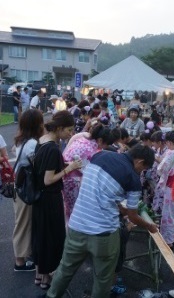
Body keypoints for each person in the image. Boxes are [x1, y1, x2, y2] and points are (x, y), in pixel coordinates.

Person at [46, 144, 158, 298]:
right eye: (143, 168)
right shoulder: (133, 179)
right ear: (140, 161)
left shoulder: (100, 156)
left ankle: (51, 295)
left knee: (65, 268)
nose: (141, 172)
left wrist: (118, 206)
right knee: (103, 278)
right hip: (104, 234)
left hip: (77, 226)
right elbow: (133, 217)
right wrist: (149, 226)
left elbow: (98, 190)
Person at [32, 111, 82, 289]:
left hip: (39, 199)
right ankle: (46, 278)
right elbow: (48, 180)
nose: (70, 133)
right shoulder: (53, 148)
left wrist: (64, 165)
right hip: (50, 199)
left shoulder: (42, 141)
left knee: (40, 236)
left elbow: (44, 169)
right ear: (59, 128)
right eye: (69, 130)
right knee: (51, 237)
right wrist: (71, 168)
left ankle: (39, 275)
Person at [12, 110, 44, 272]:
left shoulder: (21, 140)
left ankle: (24, 256)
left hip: (20, 188)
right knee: (23, 225)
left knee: (23, 223)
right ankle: (20, 262)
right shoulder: (32, 144)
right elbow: (38, 167)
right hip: (27, 190)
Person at [62, 124, 114, 222]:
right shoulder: (91, 150)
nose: (106, 147)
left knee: (69, 211)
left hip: (67, 179)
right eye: (106, 144)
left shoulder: (82, 140)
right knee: (76, 212)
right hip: (75, 183)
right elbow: (88, 172)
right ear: (100, 140)